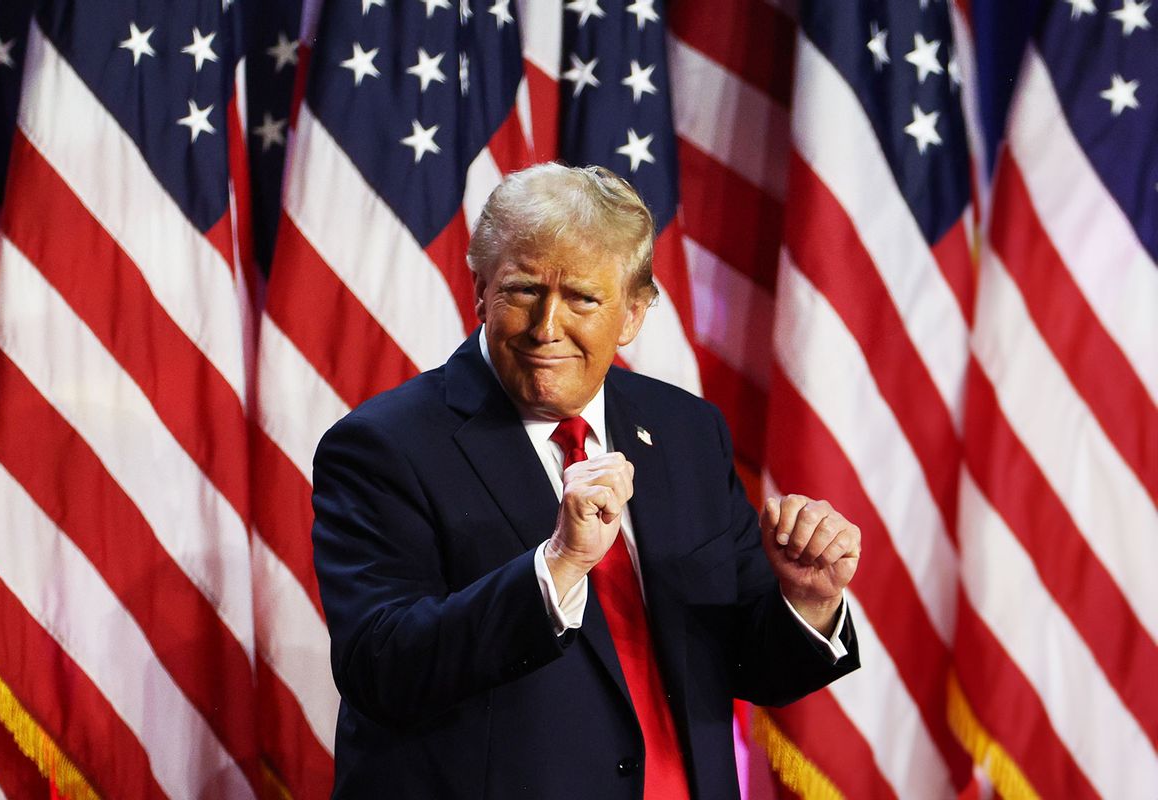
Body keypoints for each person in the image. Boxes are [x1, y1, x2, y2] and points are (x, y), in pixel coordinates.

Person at [312, 163, 861, 799]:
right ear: (479, 290)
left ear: (634, 313)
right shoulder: (384, 445)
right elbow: (381, 668)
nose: (547, 328)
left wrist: (808, 600)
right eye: (522, 291)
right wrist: (559, 567)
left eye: (582, 298)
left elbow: (741, 659)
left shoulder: (685, 431)